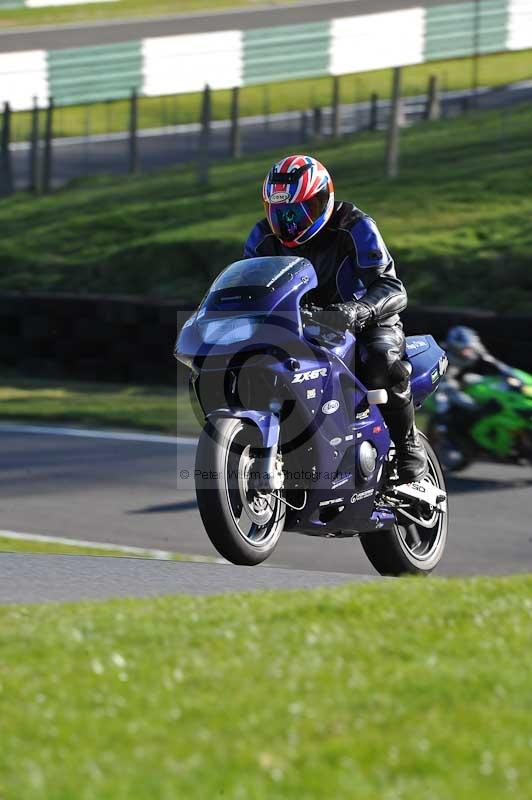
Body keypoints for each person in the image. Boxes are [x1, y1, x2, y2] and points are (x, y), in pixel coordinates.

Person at [243, 154, 427, 483]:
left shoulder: (354, 225)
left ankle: (408, 444)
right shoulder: (262, 238)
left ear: (322, 200)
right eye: (279, 212)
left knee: (382, 362)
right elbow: (246, 286)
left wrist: (360, 310)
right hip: (297, 323)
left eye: (298, 211)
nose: (288, 222)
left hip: (363, 321)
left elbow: (391, 286)